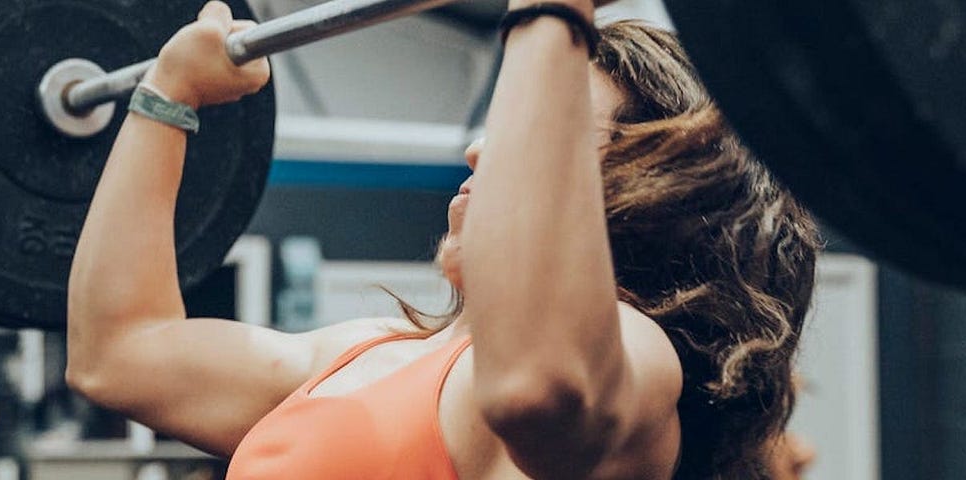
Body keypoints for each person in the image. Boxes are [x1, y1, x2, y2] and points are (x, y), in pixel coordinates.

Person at [65, 0, 821, 477]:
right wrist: (165, 98)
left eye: (532, 139)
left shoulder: (637, 360)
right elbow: (120, 353)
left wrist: (550, 16)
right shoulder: (364, 353)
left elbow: (534, 382)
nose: (479, 152)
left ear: (654, 191)